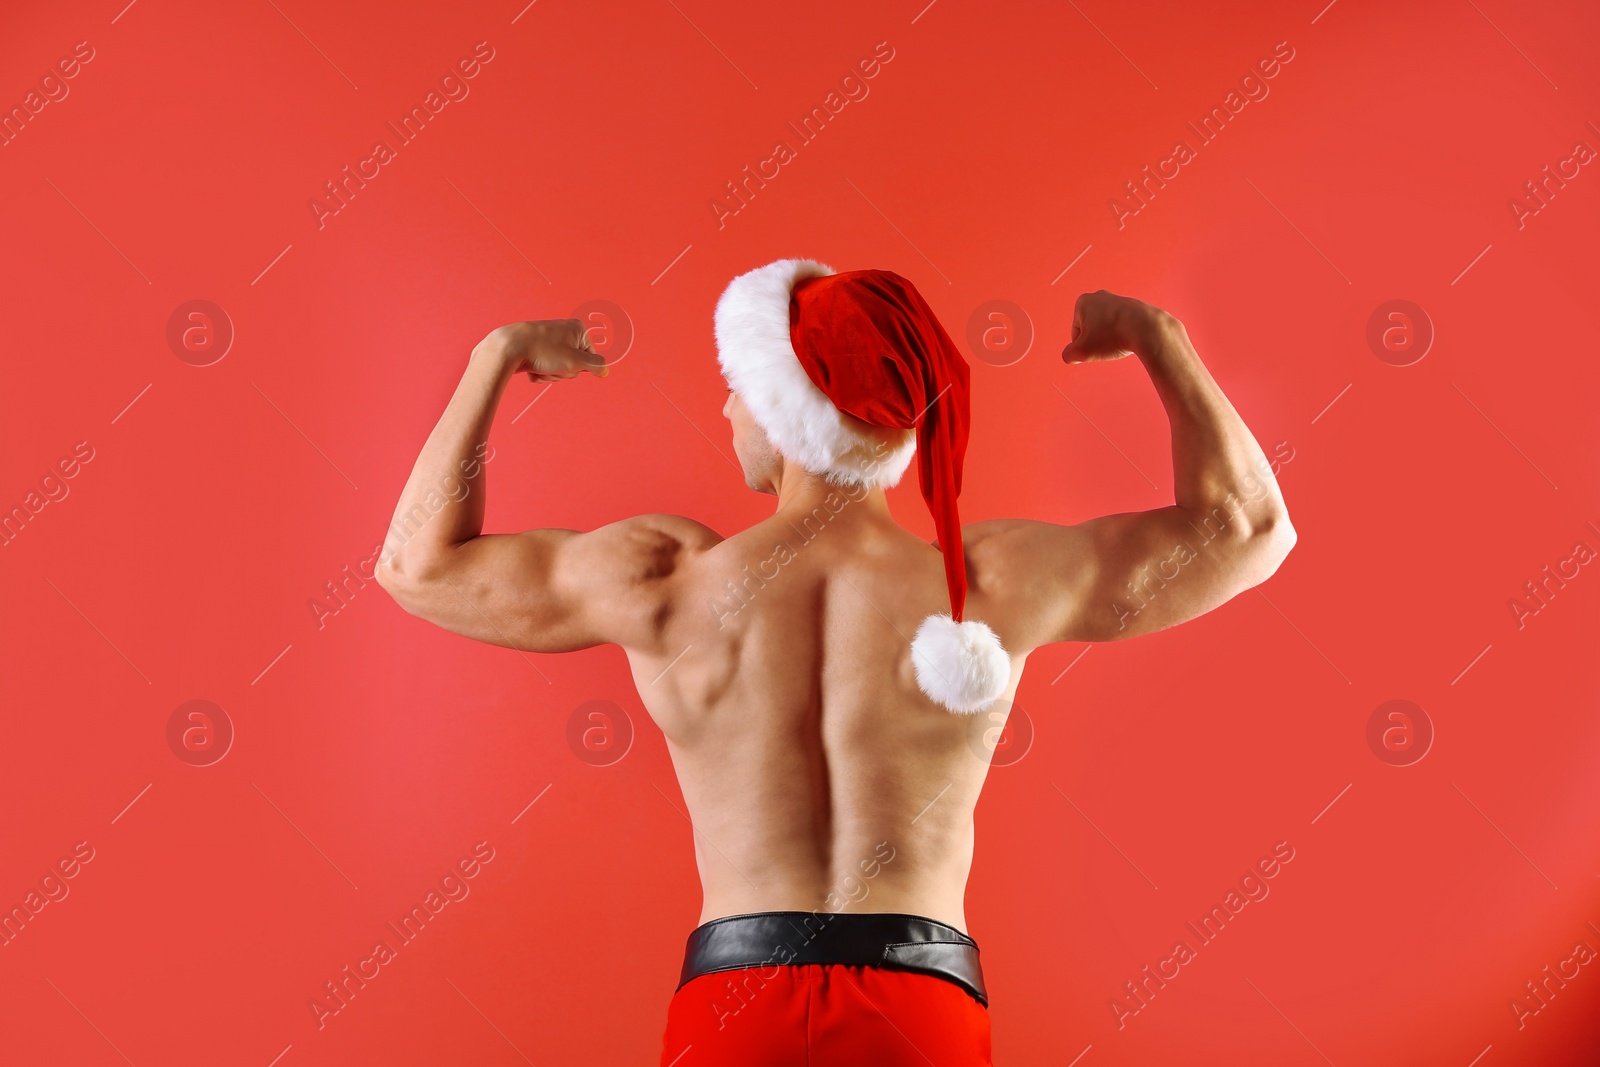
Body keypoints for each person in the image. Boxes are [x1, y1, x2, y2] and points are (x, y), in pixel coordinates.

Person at [376, 259, 1296, 1065]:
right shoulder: (986, 580)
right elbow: (1247, 530)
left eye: (739, 384)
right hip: (919, 1005)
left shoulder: (667, 578)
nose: (728, 404)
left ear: (783, 412)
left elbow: (416, 565)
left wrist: (492, 359)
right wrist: (1154, 335)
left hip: (734, 1008)